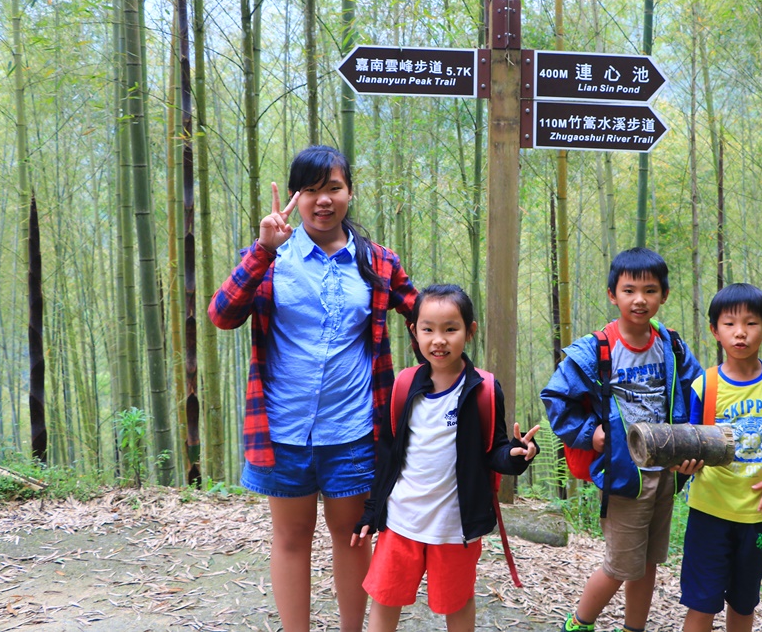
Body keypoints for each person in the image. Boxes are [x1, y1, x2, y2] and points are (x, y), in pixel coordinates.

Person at [208, 145, 418, 632]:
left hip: (352, 427)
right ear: (296, 197)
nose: (323, 200)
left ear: (350, 193)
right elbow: (223, 314)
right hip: (281, 427)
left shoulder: (377, 263)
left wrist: (461, 378)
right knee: (291, 536)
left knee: (351, 536)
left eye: (334, 188)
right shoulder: (271, 258)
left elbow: (426, 315)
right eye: (311, 190)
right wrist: (262, 250)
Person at [352, 283, 540, 632]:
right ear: (414, 331)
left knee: (457, 601)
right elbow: (388, 454)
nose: (438, 340)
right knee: (385, 596)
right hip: (401, 520)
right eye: (428, 329)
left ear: (469, 331)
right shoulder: (405, 385)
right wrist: (371, 510)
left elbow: (494, 450)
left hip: (455, 527)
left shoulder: (483, 389)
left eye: (450, 329)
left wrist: (516, 456)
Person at [541, 248, 704, 632]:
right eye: (629, 290)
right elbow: (556, 398)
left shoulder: (672, 346)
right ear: (613, 294)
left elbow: (697, 393)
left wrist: (692, 445)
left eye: (650, 290)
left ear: (663, 295)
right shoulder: (597, 348)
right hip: (624, 473)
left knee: (647, 561)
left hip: (665, 470)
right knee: (618, 566)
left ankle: (634, 628)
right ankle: (579, 623)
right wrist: (590, 434)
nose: (639, 299)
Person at [677, 282, 762, 632]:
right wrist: (684, 463)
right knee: (701, 603)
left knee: (744, 601)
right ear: (714, 331)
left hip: (759, 512)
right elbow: (693, 444)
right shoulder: (705, 386)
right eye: (730, 324)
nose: (740, 333)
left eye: (751, 323)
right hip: (710, 512)